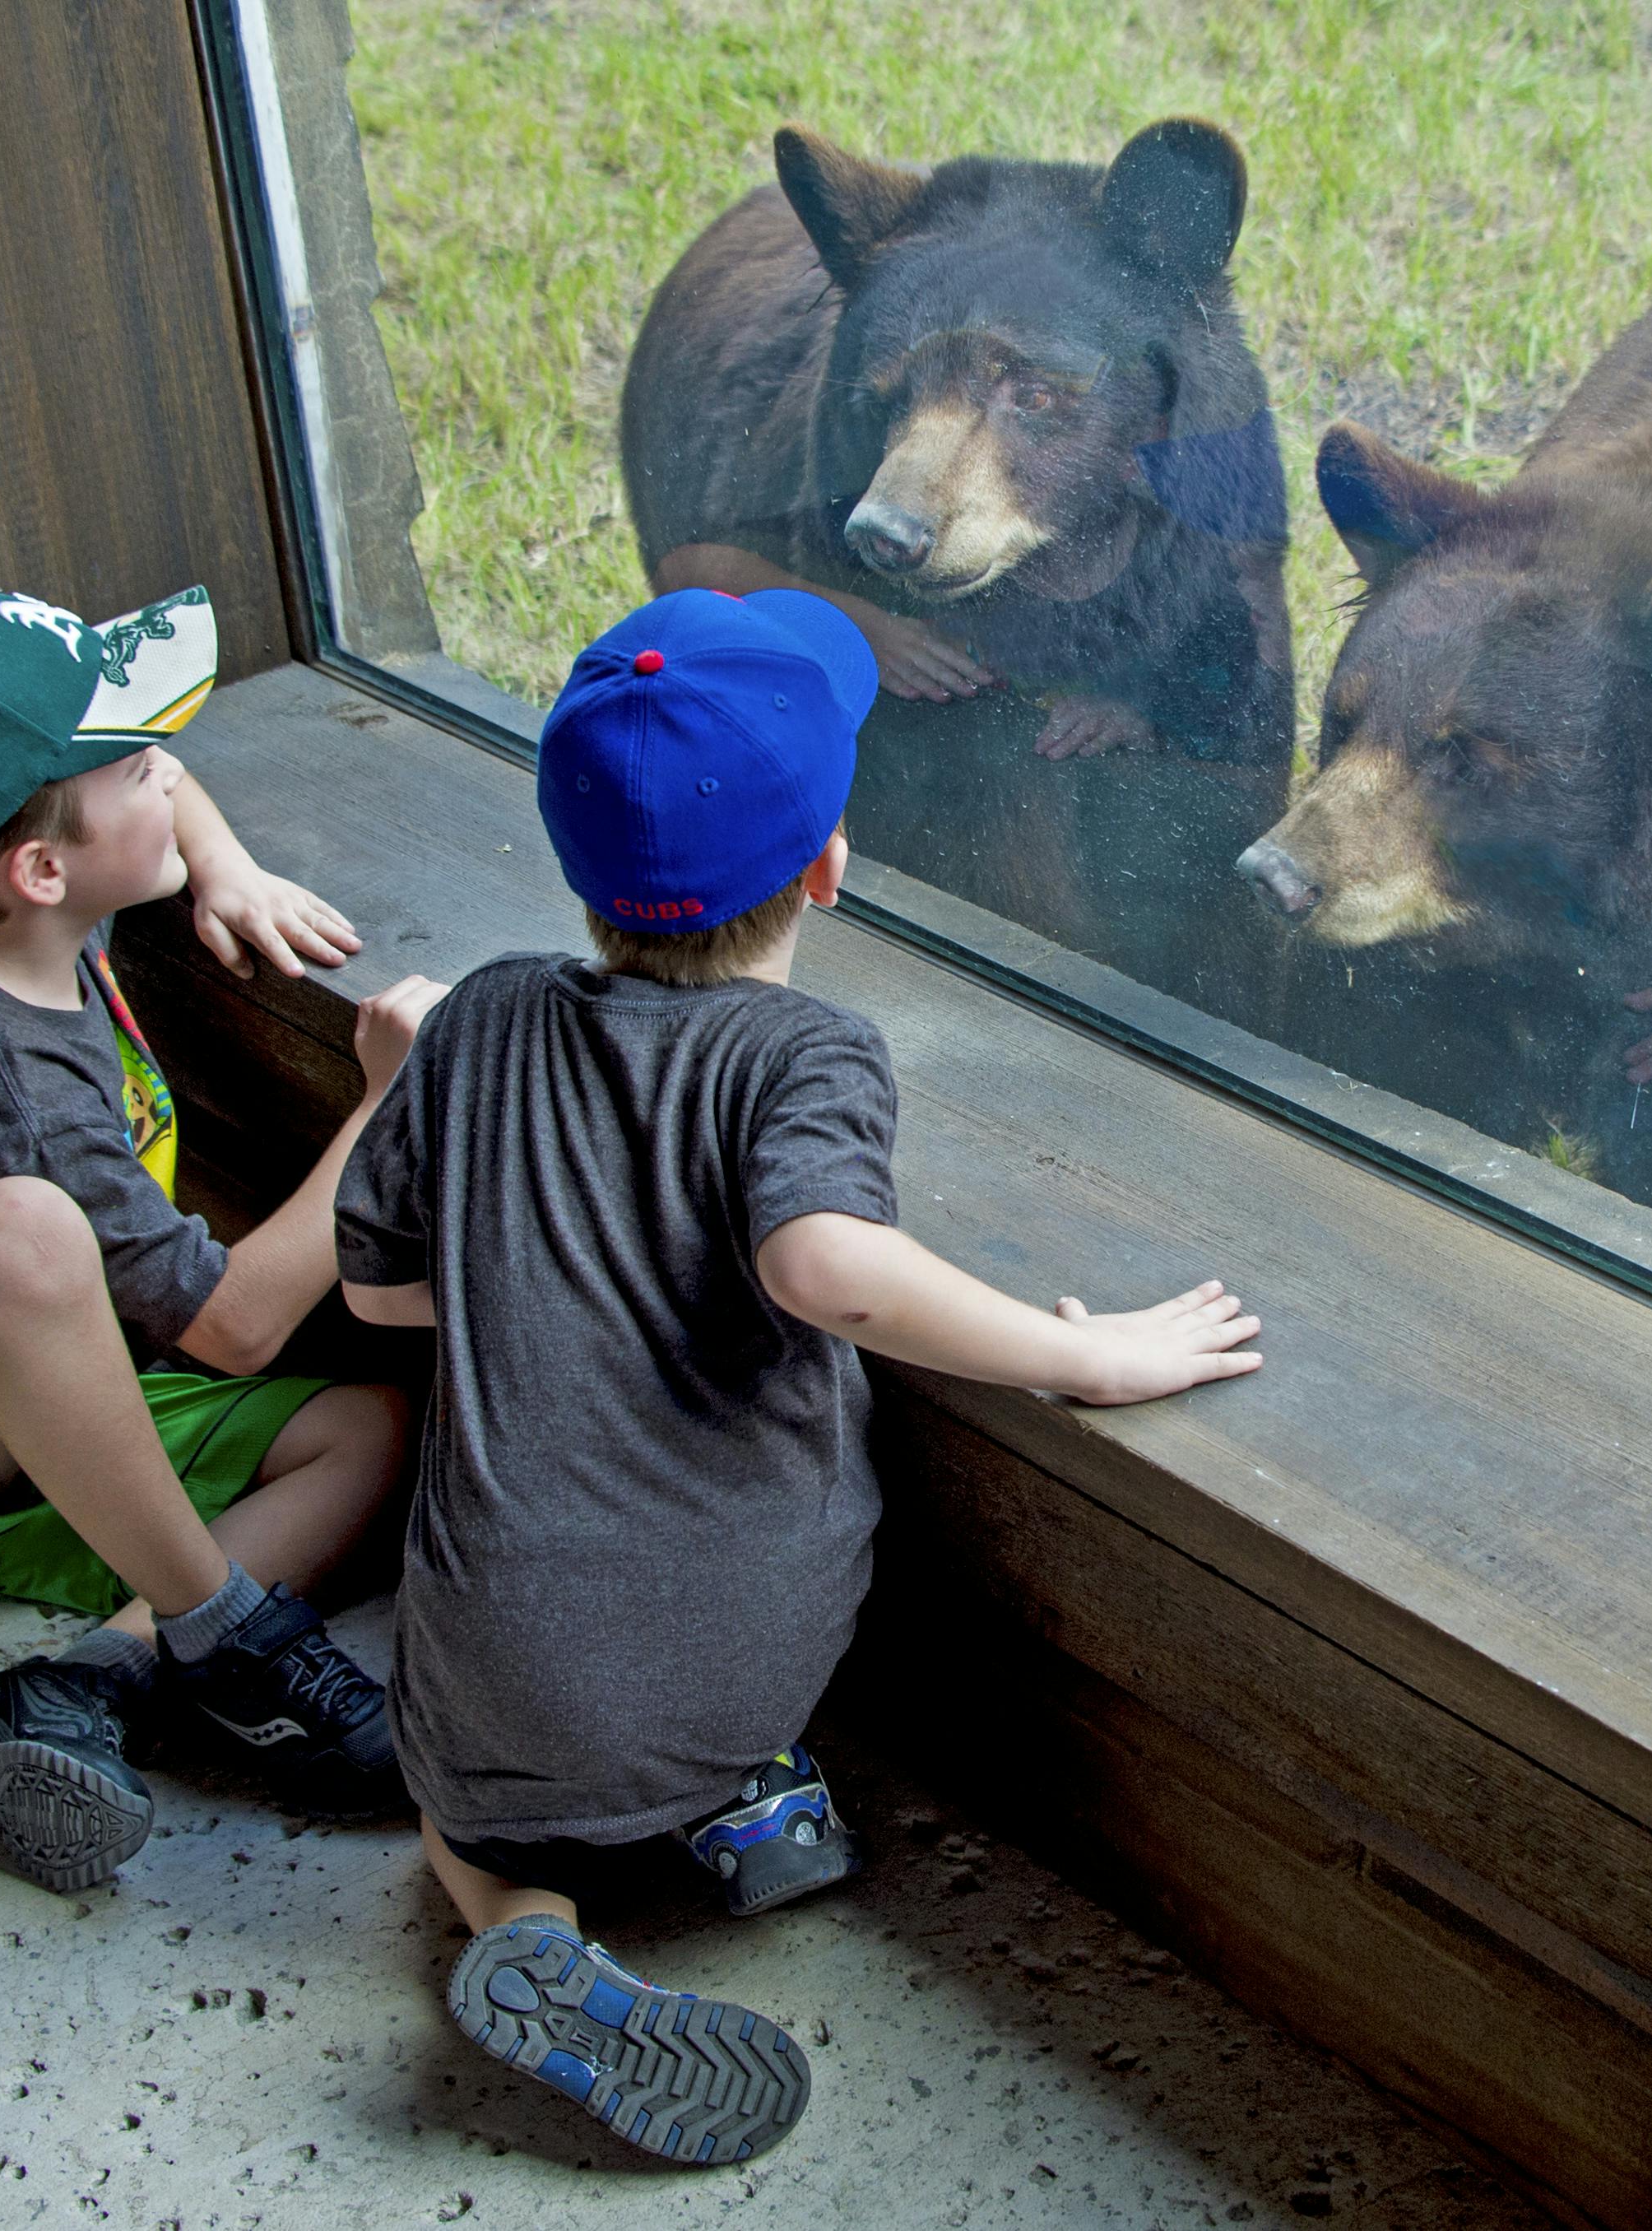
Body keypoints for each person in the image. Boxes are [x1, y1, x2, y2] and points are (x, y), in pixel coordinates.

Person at [335, 587, 1262, 2165]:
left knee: (455, 1806)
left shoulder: (481, 1018)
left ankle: (529, 1927)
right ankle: (747, 1796)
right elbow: (821, 1264)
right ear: (825, 872)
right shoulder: (805, 1054)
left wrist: (415, 1092)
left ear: (573, 863)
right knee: (734, 1584)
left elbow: (378, 1292)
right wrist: (1082, 1352)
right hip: (751, 1649)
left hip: (501, 1660)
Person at [0, 583, 442, 1894]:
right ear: (42, 867)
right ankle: (223, 1634)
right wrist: (388, 1107)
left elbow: (135, 801)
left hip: (43, 1422)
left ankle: (71, 1688)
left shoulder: (3, 905)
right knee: (24, 1232)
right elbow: (230, 1327)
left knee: (373, 1432)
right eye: (141, 762)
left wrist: (218, 863)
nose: (173, 771)